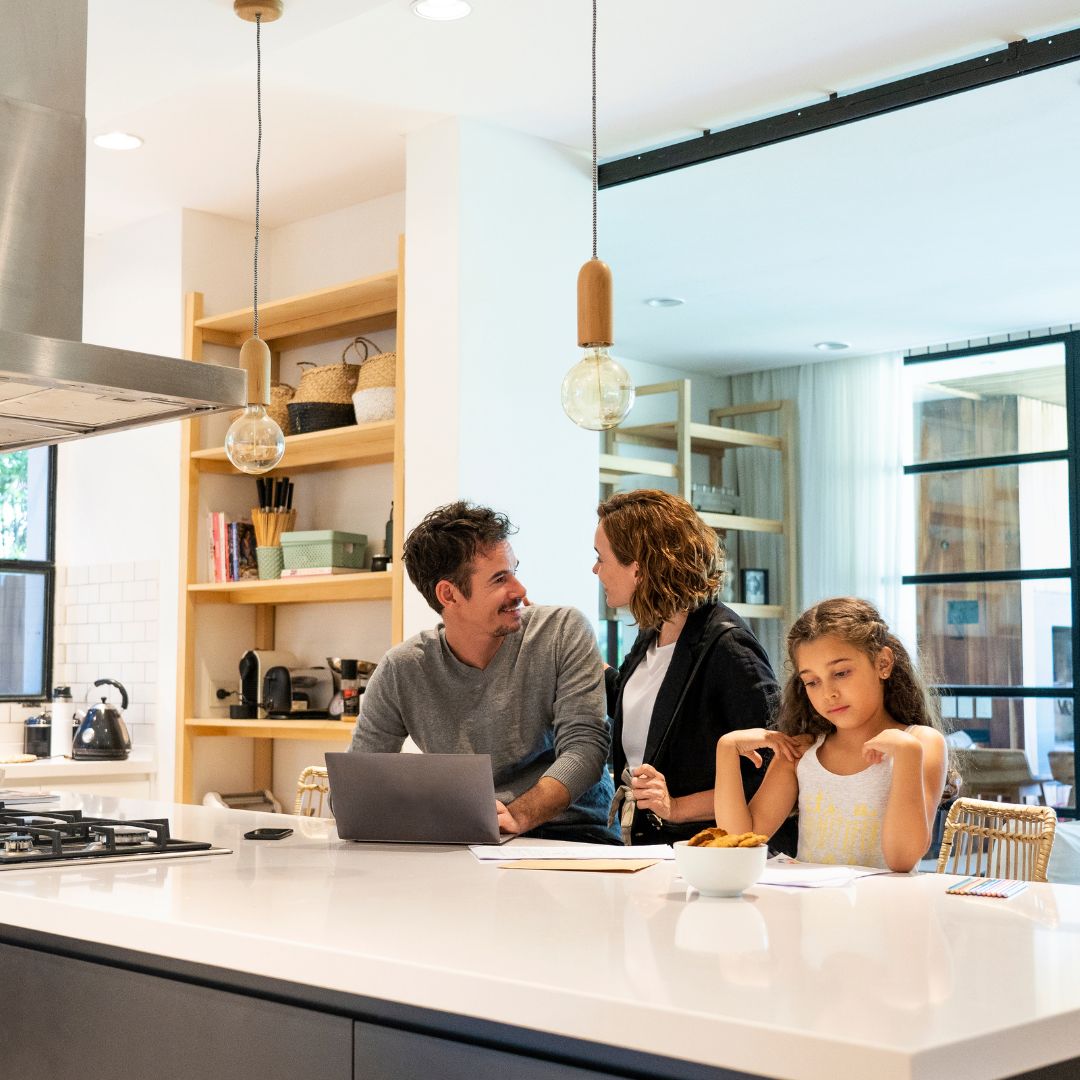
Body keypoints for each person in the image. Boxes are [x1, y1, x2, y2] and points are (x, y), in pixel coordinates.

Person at [350, 500, 618, 844]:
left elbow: (585, 748)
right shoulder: (402, 669)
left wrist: (519, 815)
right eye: (500, 579)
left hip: (575, 835)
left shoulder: (563, 630)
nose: (520, 591)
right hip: (471, 840)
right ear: (449, 594)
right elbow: (358, 787)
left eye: (515, 571)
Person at [595, 489, 787, 847]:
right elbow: (632, 705)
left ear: (637, 566)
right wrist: (567, 644)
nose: (595, 569)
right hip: (649, 847)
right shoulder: (654, 633)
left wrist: (677, 807)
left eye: (600, 558)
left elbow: (772, 768)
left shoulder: (728, 646)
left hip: (704, 852)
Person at [713, 597, 952, 872]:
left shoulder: (921, 743)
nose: (828, 693)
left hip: (884, 912)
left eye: (841, 672)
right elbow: (738, 844)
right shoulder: (802, 752)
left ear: (883, 663)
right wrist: (726, 748)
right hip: (812, 911)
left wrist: (908, 754)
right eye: (812, 682)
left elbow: (901, 860)